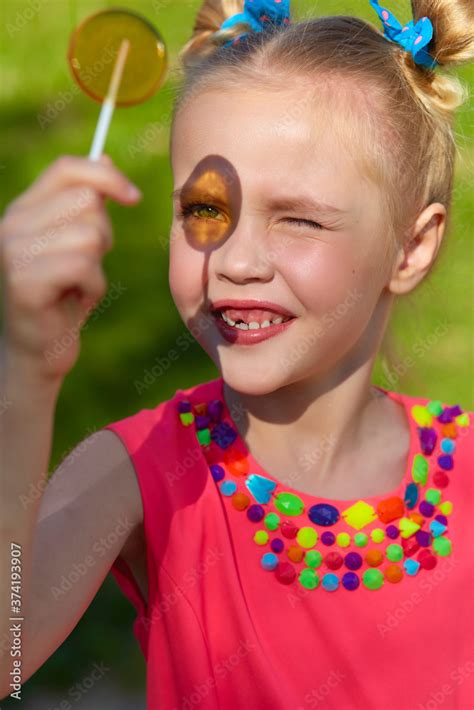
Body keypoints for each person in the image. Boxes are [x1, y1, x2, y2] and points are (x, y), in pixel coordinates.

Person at [1, 0, 473, 707]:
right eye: (205, 210)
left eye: (300, 219)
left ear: (411, 246)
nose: (237, 260)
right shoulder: (142, 468)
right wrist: (25, 373)